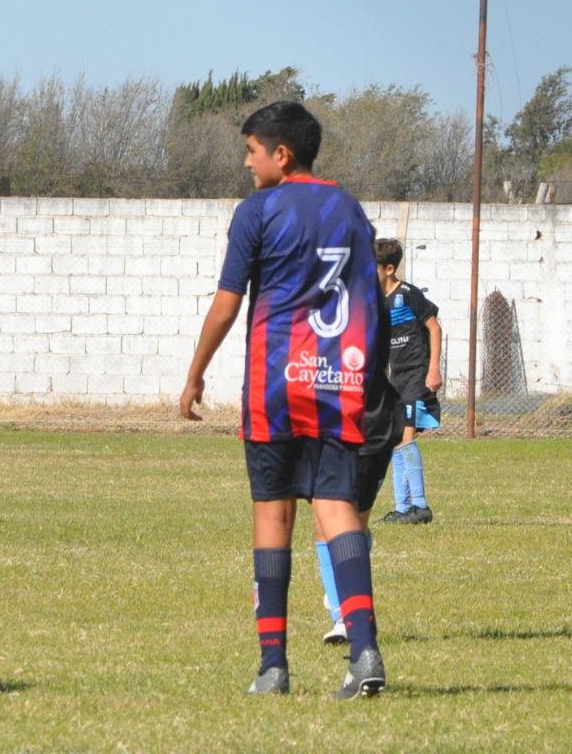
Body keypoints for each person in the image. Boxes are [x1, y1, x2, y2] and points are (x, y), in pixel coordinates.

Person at [179, 101, 386, 698]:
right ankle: (365, 651)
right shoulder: (349, 209)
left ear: (281, 154)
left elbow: (227, 302)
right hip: (338, 383)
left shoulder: (258, 211)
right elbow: (367, 300)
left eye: (250, 150)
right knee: (336, 509)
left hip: (276, 384)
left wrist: (194, 374)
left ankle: (273, 666)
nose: (247, 163)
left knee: (273, 514)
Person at [315, 295, 404, 644]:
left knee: (352, 524)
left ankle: (345, 582)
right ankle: (343, 614)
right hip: (327, 425)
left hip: (370, 426)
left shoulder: (366, 305)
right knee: (327, 519)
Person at [375, 238, 442, 525]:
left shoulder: (408, 294)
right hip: (396, 379)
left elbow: (434, 327)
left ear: (389, 269)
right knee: (396, 442)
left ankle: (420, 506)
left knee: (405, 438)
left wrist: (434, 369)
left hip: (416, 375)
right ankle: (403, 509)